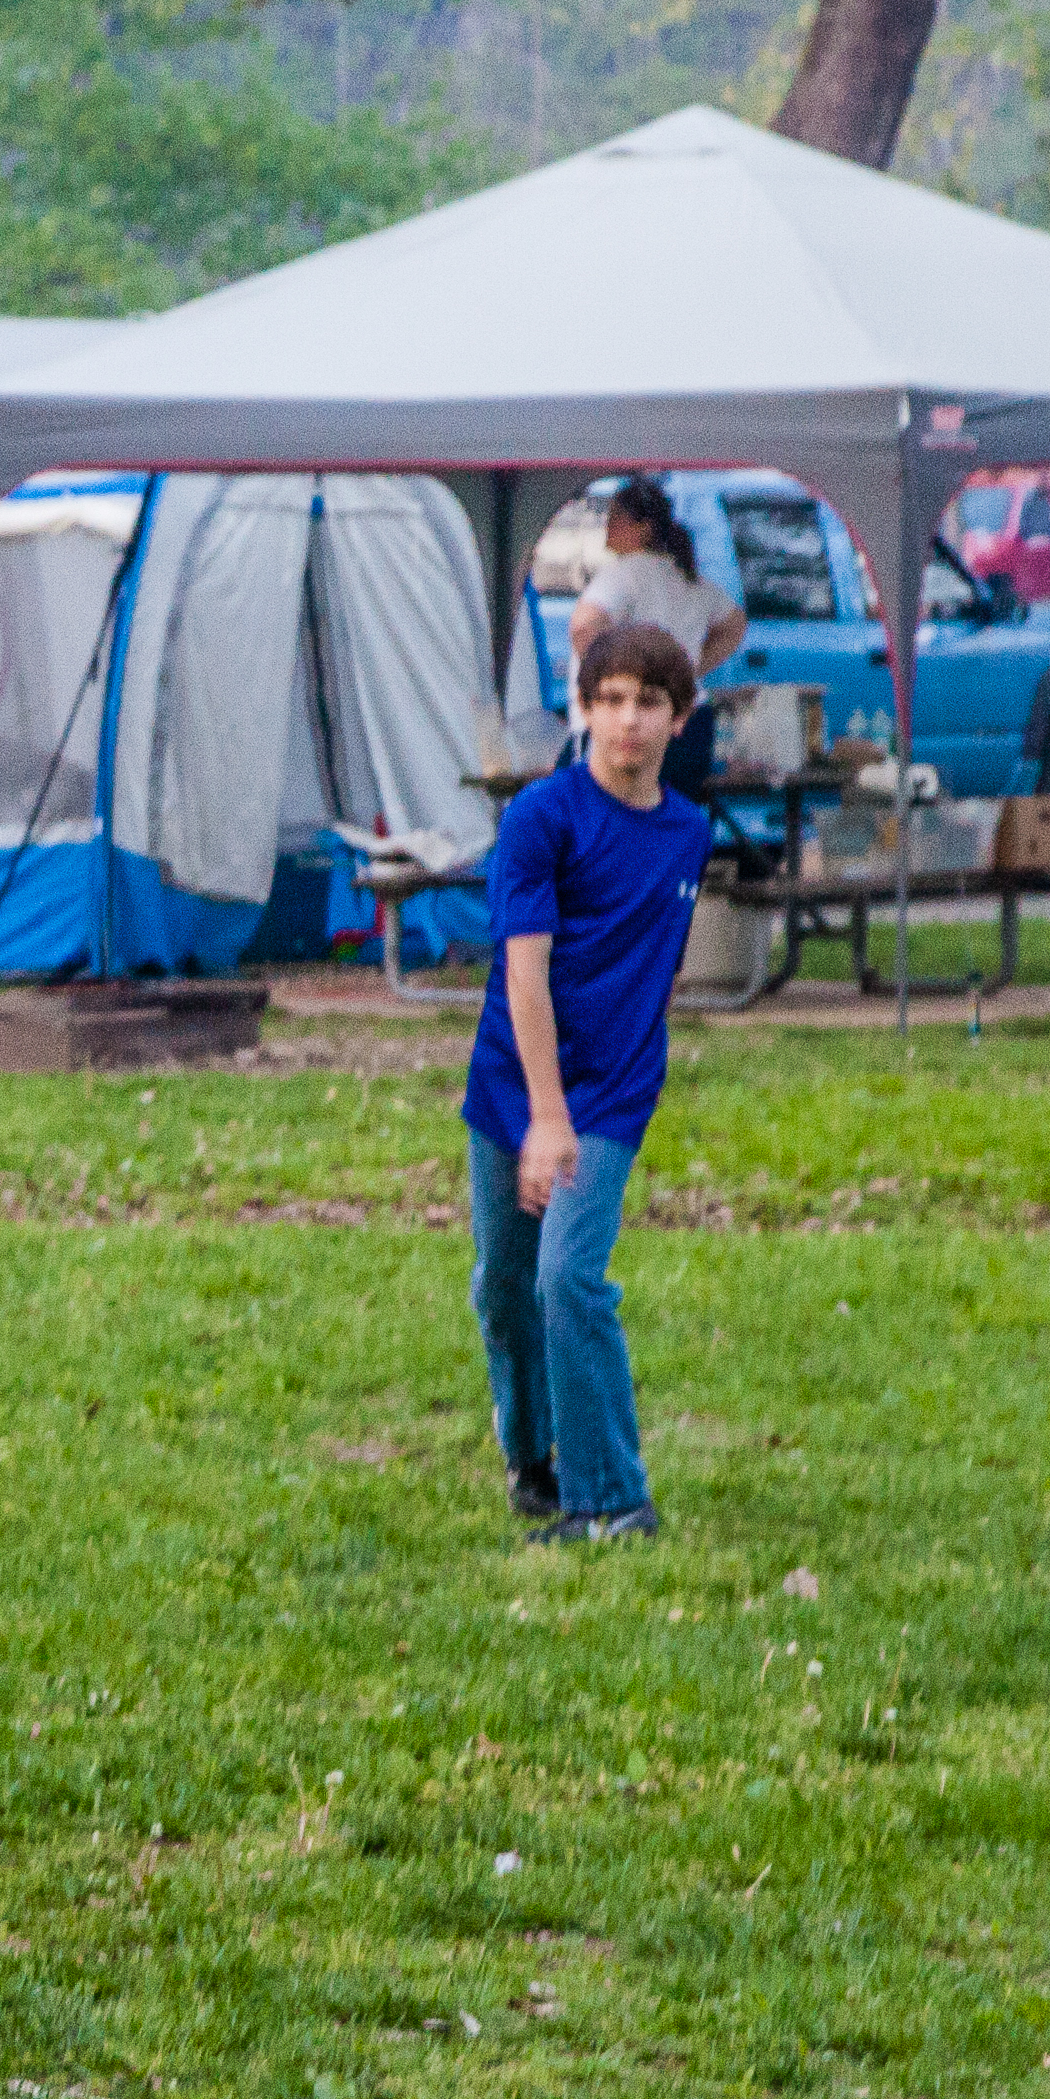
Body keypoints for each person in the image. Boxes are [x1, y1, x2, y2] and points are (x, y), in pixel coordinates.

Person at [466, 622, 711, 1546]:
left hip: (608, 1096)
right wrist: (541, 1115)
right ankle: (534, 1459)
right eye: (608, 699)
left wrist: (586, 1108)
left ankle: (611, 1499)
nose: (626, 720)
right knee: (505, 1284)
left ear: (678, 718)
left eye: (647, 702)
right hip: (515, 1086)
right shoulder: (540, 817)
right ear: (585, 709)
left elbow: (660, 967)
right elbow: (524, 973)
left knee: (567, 1275)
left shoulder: (688, 834)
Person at [570, 477, 743, 793]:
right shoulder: (688, 579)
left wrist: (613, 687)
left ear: (644, 527)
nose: (608, 526)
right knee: (667, 826)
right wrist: (687, 671)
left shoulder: (625, 573)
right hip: (689, 724)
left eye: (616, 517)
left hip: (633, 728)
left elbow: (584, 627)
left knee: (618, 826)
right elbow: (734, 624)